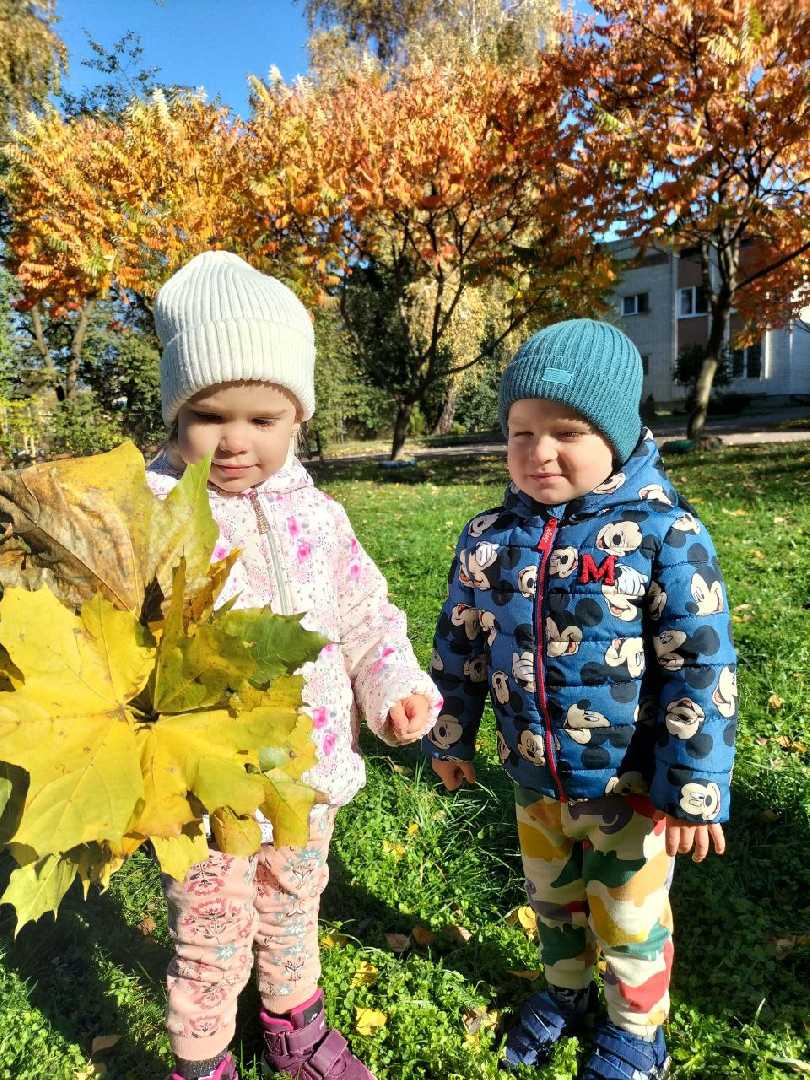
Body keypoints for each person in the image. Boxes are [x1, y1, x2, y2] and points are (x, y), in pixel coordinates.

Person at [147, 250, 441, 1080]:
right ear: (175, 414)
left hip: (303, 777)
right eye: (209, 415)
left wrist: (394, 686)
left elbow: (365, 615)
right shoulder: (153, 515)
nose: (235, 439)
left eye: (262, 419)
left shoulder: (320, 515)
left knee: (292, 907)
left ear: (297, 421)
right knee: (209, 932)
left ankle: (293, 1028)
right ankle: (202, 1060)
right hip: (202, 787)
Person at [425, 318, 737, 1080]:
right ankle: (565, 993)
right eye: (521, 432)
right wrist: (449, 735)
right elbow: (460, 646)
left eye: (566, 432)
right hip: (534, 779)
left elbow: (701, 665)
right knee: (554, 903)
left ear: (618, 437)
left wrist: (695, 785)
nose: (539, 452)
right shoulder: (488, 538)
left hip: (631, 790)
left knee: (629, 920)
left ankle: (637, 1032)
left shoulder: (665, 534)